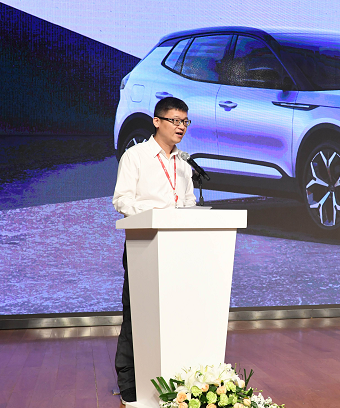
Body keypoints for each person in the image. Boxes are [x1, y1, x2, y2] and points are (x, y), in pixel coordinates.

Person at [112, 97, 196, 404]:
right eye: (175, 120)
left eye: (185, 121)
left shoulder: (184, 164)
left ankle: (173, 382)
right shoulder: (135, 156)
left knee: (176, 316)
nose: (180, 127)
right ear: (157, 122)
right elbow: (121, 200)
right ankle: (130, 386)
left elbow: (188, 203)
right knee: (137, 316)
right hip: (144, 245)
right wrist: (156, 214)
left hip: (177, 249)